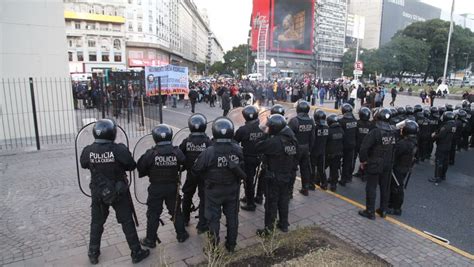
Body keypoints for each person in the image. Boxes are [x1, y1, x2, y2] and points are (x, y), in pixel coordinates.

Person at [80, 119, 149, 265]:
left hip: (98, 191)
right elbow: (131, 165)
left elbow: (83, 163)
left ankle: (93, 253)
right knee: (126, 221)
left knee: (96, 222)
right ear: (112, 133)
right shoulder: (118, 149)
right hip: (118, 192)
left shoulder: (88, 150)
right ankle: (136, 252)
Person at [192, 117, 244, 252]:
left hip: (213, 191)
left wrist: (206, 178)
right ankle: (231, 245)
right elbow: (243, 167)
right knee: (232, 217)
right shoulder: (237, 149)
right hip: (232, 189)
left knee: (213, 219)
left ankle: (213, 249)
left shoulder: (209, 152)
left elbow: (196, 169)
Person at [137, 125, 189, 248]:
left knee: (153, 213)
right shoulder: (176, 152)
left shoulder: (150, 154)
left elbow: (140, 168)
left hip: (156, 188)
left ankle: (150, 240)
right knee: (176, 211)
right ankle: (181, 235)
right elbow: (184, 164)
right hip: (172, 187)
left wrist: (151, 170)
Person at [256, 114, 298, 235]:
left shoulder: (275, 142)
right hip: (287, 175)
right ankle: (284, 224)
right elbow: (297, 156)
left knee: (271, 203)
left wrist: (265, 134)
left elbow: (258, 146)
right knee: (283, 200)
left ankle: (269, 230)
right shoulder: (292, 138)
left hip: (274, 177)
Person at [358, 108, 396, 220]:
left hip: (375, 163)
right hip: (388, 163)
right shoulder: (393, 131)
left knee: (371, 187)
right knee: (385, 187)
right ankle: (383, 210)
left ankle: (370, 211)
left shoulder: (375, 132)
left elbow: (364, 148)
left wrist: (363, 161)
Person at [179, 114, 212, 233]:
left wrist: (185, 165)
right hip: (204, 175)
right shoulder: (208, 141)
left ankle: (184, 218)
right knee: (204, 197)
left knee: (187, 195)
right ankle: (202, 224)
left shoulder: (186, 141)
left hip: (191, 174)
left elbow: (180, 156)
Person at [235, 105, 266, 211]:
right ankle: (251, 196)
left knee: (248, 180)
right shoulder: (262, 127)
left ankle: (251, 204)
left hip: (247, 158)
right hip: (259, 157)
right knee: (252, 178)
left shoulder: (243, 130)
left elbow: (234, 142)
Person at [388, 120, 419, 216]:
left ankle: (396, 208)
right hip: (405, 167)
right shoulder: (414, 141)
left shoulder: (404, 144)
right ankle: (392, 204)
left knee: (396, 187)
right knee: (397, 186)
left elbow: (394, 153)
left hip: (398, 167)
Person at [288, 101, 314, 196]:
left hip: (296, 148)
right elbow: (312, 137)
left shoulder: (294, 120)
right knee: (305, 169)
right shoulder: (311, 121)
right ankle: (305, 188)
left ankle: (289, 191)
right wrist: (309, 149)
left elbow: (289, 136)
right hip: (306, 147)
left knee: (292, 169)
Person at [429, 111, 456, 184]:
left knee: (439, 161)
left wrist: (433, 136)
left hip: (442, 145)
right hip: (448, 145)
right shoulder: (454, 125)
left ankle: (437, 177)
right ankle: (443, 175)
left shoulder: (446, 126)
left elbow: (440, 135)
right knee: (445, 161)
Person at [338, 104, 358, 186]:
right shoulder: (355, 121)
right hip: (352, 145)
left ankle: (337, 179)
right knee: (348, 162)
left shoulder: (341, 121)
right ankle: (347, 178)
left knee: (337, 162)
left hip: (342, 145)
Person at [353, 107, 374, 180]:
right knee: (365, 160)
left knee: (361, 159)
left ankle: (362, 173)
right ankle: (362, 173)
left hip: (358, 145)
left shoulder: (357, 123)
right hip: (366, 146)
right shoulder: (371, 124)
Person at [325, 114, 344, 192]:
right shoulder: (341, 130)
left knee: (322, 167)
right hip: (338, 153)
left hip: (329, 154)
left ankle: (320, 181)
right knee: (335, 169)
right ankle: (333, 185)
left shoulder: (329, 130)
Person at [311, 109, 329, 190]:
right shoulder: (327, 128)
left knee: (312, 168)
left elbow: (311, 139)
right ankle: (324, 184)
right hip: (323, 151)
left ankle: (311, 184)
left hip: (314, 151)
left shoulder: (314, 128)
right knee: (321, 169)